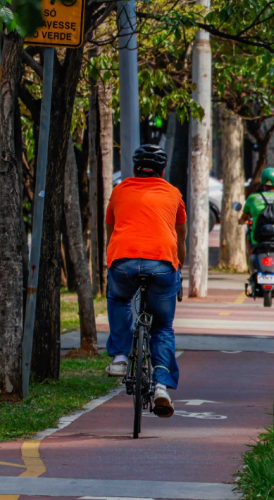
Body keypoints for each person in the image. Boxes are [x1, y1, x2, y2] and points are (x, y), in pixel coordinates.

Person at [104, 145, 186, 418]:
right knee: (162, 326)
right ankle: (161, 386)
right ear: (162, 171)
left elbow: (111, 228)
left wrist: (114, 259)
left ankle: (119, 358)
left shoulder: (119, 190)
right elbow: (180, 236)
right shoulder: (173, 193)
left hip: (123, 261)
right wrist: (179, 265)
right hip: (162, 263)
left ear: (134, 168)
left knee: (119, 298)